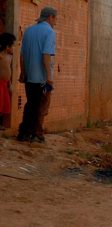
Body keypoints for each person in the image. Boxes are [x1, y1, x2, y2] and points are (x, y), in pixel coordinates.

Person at [17, 6, 57, 143]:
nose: (55, 22)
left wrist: (23, 72)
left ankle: (26, 132)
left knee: (31, 104)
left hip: (29, 76)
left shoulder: (28, 31)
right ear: (50, 17)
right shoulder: (50, 32)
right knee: (41, 105)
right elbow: (46, 55)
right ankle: (32, 132)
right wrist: (49, 78)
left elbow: (21, 56)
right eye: (55, 18)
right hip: (42, 78)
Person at [0, 32, 15, 130]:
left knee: (5, 104)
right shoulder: (0, 56)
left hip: (5, 83)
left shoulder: (9, 56)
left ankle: (1, 123)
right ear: (7, 46)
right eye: (12, 45)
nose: (13, 48)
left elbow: (9, 70)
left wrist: (10, 84)